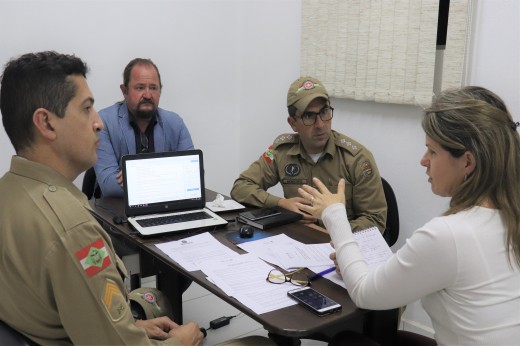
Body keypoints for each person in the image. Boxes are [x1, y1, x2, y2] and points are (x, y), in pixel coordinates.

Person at [0, 51, 273, 346]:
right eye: (86, 108)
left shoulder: (9, 191)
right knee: (258, 342)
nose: (98, 123)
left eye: (153, 88)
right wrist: (182, 340)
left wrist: (132, 325)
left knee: (156, 296)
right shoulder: (75, 231)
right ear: (47, 123)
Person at [298, 86, 520, 345]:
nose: (423, 161)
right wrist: (354, 261)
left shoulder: (449, 235)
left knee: (347, 341)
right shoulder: (509, 214)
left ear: (467, 162)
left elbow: (364, 294)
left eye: (433, 151)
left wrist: (334, 213)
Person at [230, 76, 387, 233]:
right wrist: (281, 203)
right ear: (293, 123)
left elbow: (375, 219)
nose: (320, 124)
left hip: (342, 245)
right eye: (309, 116)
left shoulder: (356, 158)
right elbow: (241, 187)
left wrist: (336, 233)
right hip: (299, 240)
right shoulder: (281, 151)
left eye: (324, 112)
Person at [95, 58, 194, 197]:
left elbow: (192, 178)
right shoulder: (104, 122)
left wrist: (137, 174)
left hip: (165, 209)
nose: (147, 95)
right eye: (140, 88)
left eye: (153, 88)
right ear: (125, 91)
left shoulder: (175, 123)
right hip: (118, 212)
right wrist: (170, 176)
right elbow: (110, 186)